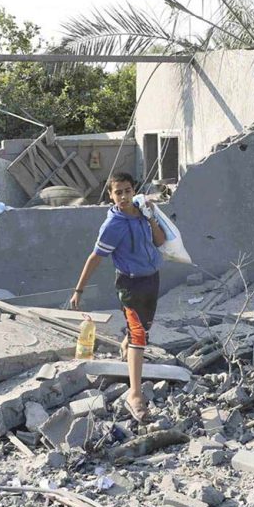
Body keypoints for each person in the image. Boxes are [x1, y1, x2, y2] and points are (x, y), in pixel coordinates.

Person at [69, 172, 166, 421]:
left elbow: (160, 240)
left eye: (127, 190)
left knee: (143, 330)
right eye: (118, 192)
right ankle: (135, 395)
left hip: (151, 280)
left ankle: (127, 345)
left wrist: (151, 217)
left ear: (134, 191)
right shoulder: (113, 225)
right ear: (111, 196)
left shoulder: (143, 211)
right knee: (139, 337)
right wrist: (79, 289)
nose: (123, 196)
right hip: (130, 284)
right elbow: (95, 258)